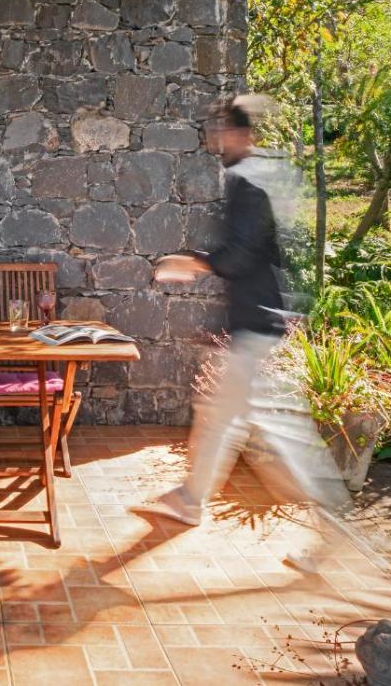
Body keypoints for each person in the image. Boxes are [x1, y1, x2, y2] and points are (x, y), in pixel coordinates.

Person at [148, 95, 349, 572]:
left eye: (223, 130)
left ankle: (337, 531)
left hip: (257, 324)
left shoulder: (247, 180)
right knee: (220, 416)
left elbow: (240, 255)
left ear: (242, 134)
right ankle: (191, 498)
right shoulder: (260, 174)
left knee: (286, 438)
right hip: (256, 320)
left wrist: (190, 263)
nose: (217, 138)